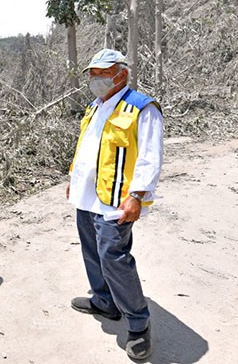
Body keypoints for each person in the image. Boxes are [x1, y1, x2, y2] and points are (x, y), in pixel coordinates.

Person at [66, 49, 163, 360]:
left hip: (116, 201)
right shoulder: (95, 107)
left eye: (102, 73)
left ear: (122, 74)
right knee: (91, 251)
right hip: (87, 195)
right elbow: (86, 149)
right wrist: (73, 178)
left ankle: (138, 324)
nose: (96, 80)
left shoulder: (141, 108)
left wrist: (137, 196)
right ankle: (104, 300)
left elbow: (150, 156)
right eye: (92, 74)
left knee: (114, 257)